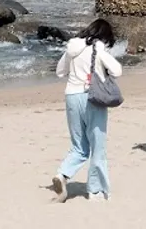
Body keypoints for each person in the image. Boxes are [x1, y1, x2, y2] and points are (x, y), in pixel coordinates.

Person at [52, 18, 123, 202]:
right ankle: (95, 190)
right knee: (97, 146)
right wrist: (102, 65)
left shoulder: (72, 47)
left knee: (79, 146)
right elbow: (117, 70)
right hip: (92, 98)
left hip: (71, 96)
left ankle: (62, 174)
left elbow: (60, 72)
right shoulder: (98, 48)